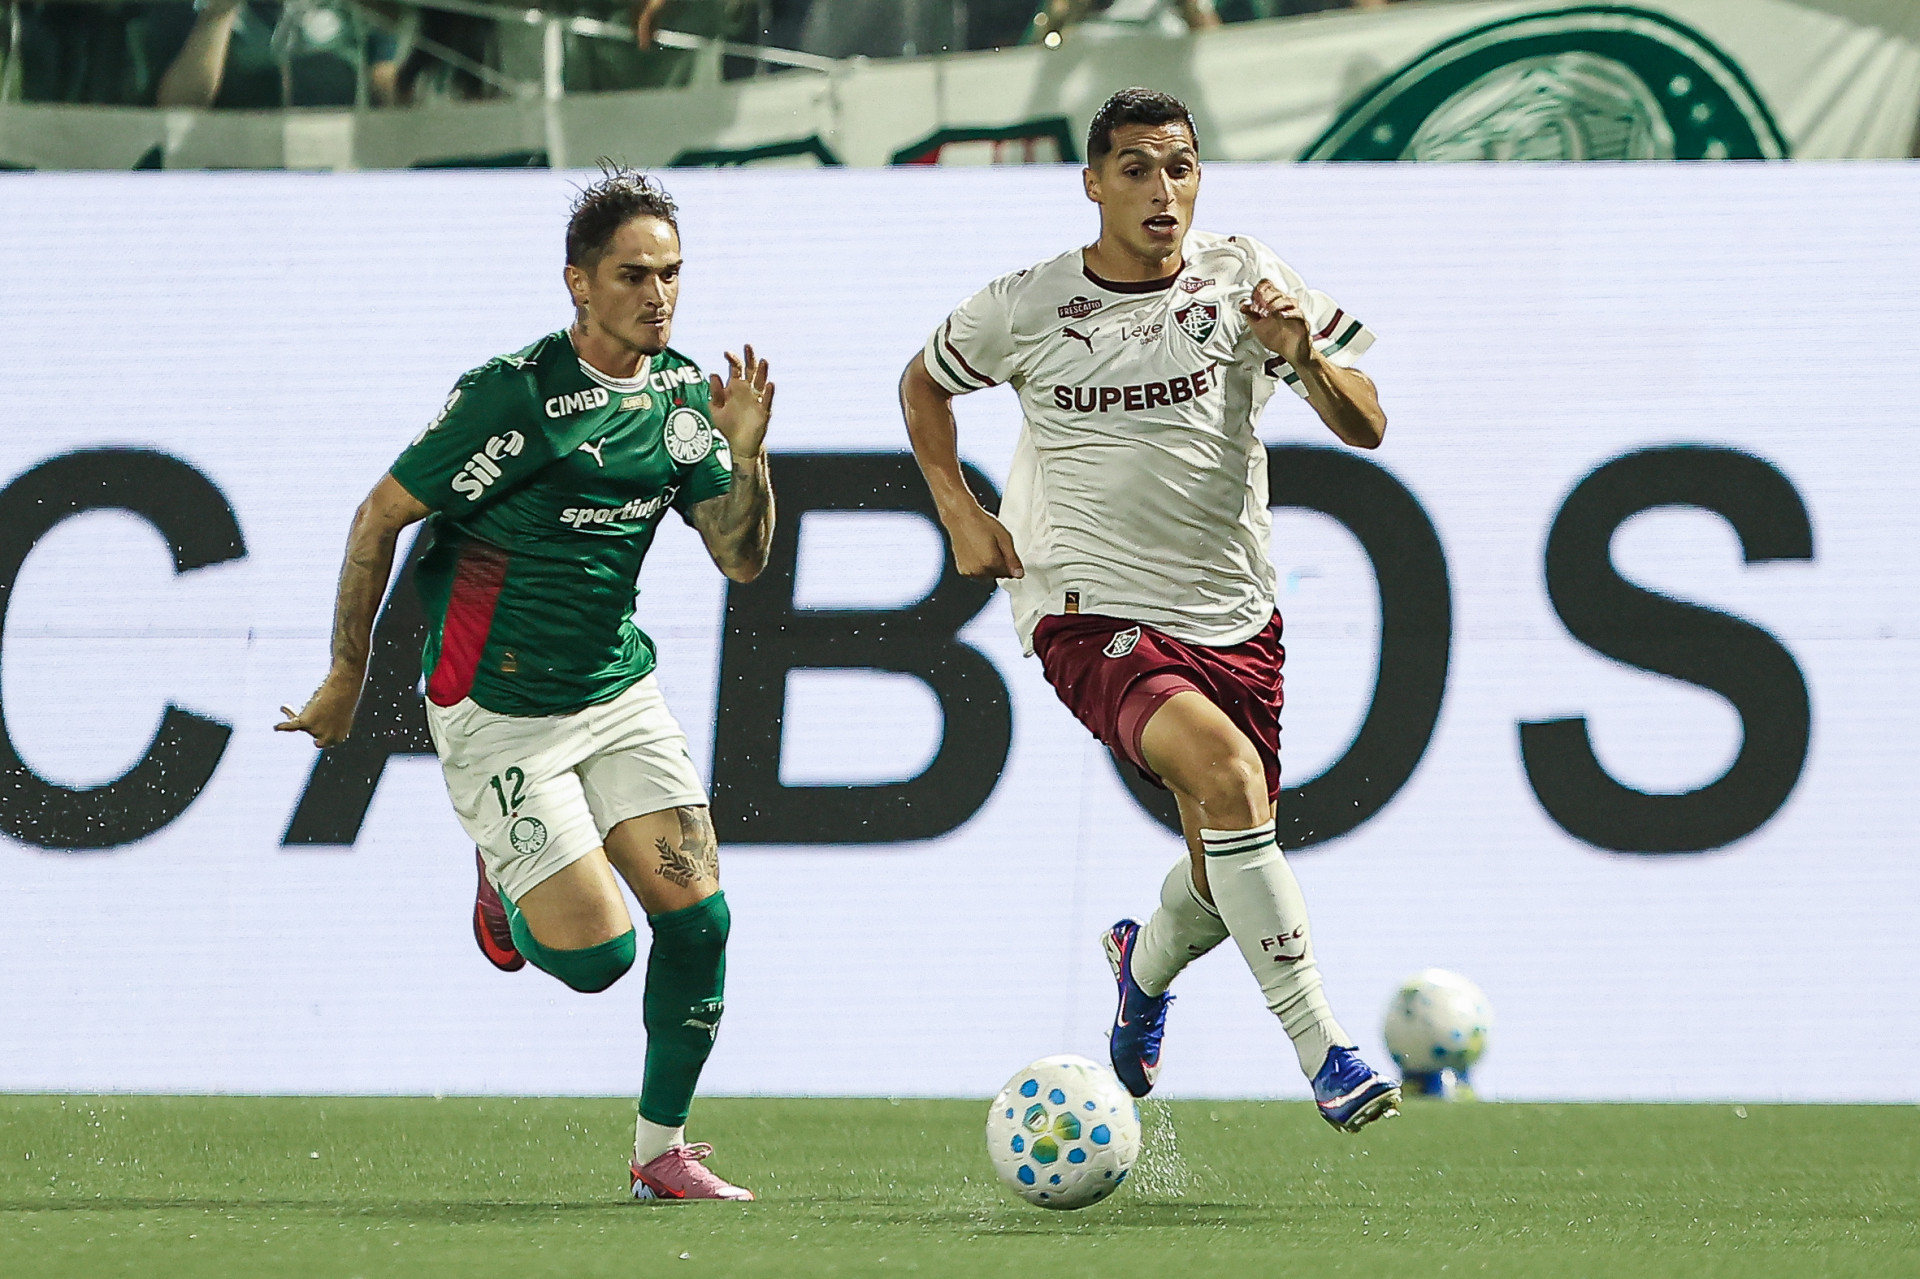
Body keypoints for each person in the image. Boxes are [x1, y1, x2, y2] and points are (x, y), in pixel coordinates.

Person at [898, 87, 1400, 1132]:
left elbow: (1369, 426)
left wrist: (1302, 353)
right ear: (1093, 184)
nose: (1161, 189)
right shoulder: (1028, 305)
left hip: (1234, 615)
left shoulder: (1247, 277)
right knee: (1224, 778)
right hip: (1086, 608)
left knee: (1227, 864)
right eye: (1135, 168)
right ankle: (1327, 1050)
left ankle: (1142, 964)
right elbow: (923, 382)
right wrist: (959, 506)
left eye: (1179, 166)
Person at [278, 168, 773, 1199]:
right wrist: (343, 677)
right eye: (635, 274)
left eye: (673, 273)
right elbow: (379, 517)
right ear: (578, 284)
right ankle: (503, 881)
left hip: (616, 693)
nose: (660, 294)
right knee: (599, 962)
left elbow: (741, 557)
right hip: (498, 711)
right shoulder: (513, 393)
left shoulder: (683, 399)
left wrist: (746, 456)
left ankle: (659, 1154)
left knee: (703, 921)